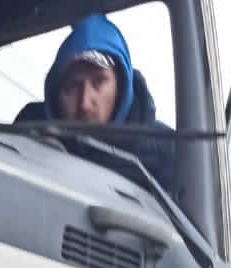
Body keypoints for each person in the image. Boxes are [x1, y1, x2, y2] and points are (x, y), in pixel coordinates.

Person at [15, 13, 175, 192]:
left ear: (121, 86)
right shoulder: (28, 133)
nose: (84, 103)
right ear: (56, 91)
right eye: (73, 85)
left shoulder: (166, 149)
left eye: (99, 82)